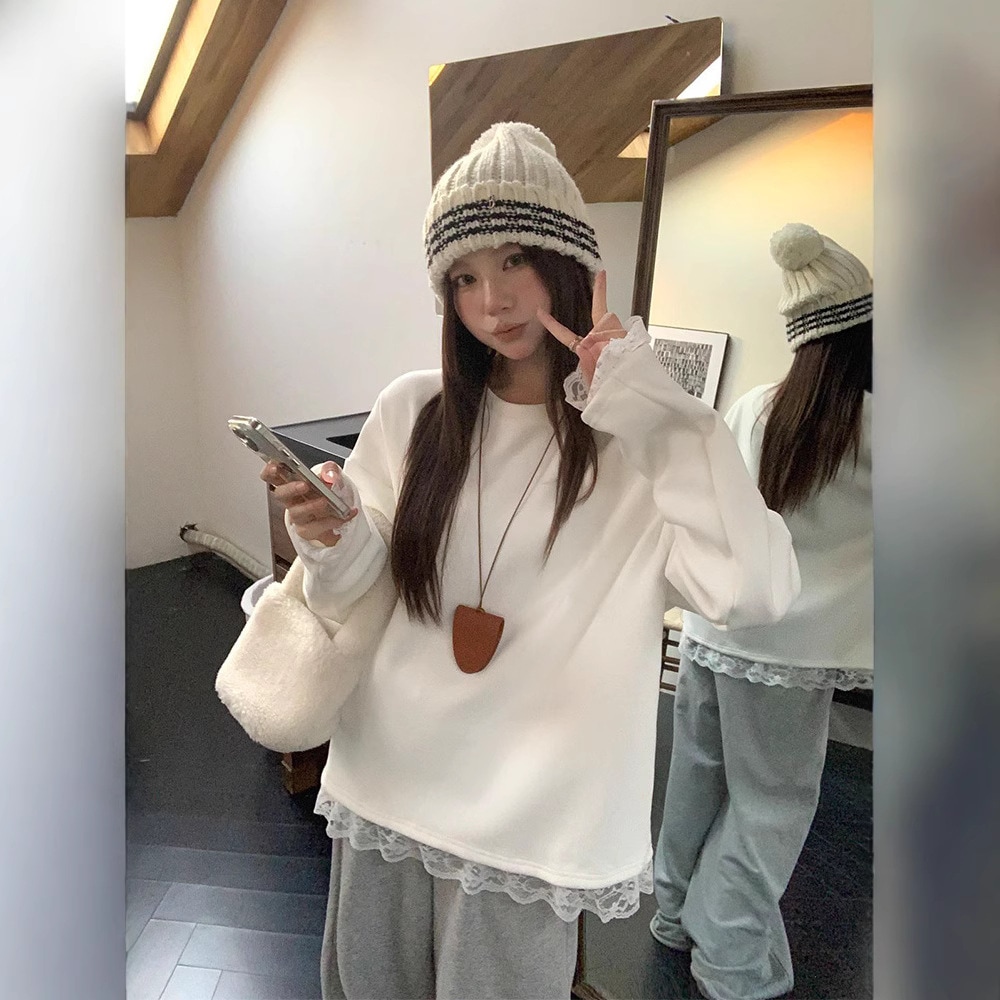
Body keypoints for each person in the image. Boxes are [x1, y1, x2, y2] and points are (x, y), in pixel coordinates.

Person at [261, 123, 800, 1000]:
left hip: (531, 818)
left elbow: (755, 590)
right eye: (464, 277)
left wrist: (649, 407)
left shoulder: (635, 441)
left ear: (569, 264)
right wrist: (330, 534)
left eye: (515, 260)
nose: (494, 301)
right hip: (388, 777)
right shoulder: (414, 411)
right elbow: (365, 586)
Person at [649, 222, 874, 1000]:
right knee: (772, 802)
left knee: (697, 776)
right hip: (790, 651)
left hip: (713, 630)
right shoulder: (881, 430)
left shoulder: (752, 409)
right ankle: (730, 954)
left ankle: (673, 911)